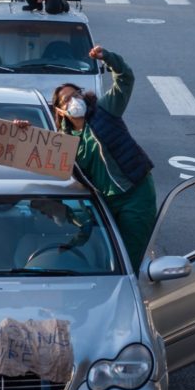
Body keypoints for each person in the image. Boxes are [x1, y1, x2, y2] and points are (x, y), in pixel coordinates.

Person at [51, 46, 156, 269]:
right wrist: (22, 130)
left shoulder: (105, 110)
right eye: (67, 99)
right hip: (103, 203)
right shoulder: (64, 141)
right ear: (60, 111)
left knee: (129, 259)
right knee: (102, 258)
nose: (75, 100)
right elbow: (36, 154)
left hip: (134, 193)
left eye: (76, 94)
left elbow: (126, 79)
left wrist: (108, 58)